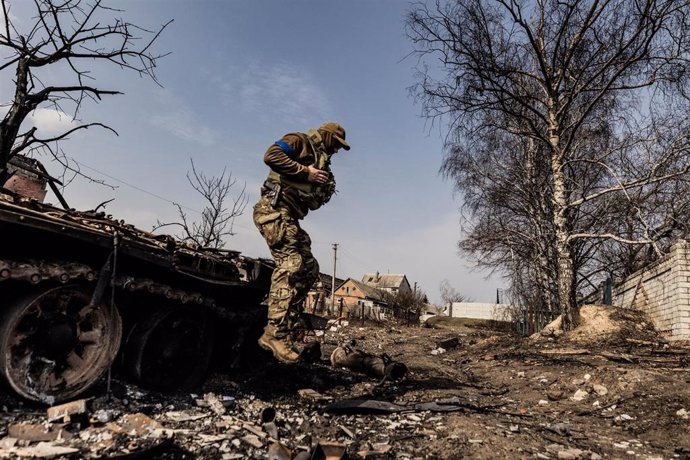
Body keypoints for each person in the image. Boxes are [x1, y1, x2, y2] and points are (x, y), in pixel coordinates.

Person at [253, 122, 350, 363]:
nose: (337, 150)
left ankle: (285, 330)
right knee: (292, 263)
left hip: (290, 217)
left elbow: (311, 198)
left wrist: (320, 186)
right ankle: (274, 333)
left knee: (308, 270)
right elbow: (271, 155)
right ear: (327, 136)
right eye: (336, 144)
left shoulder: (322, 161)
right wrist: (307, 173)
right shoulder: (300, 141)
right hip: (273, 210)